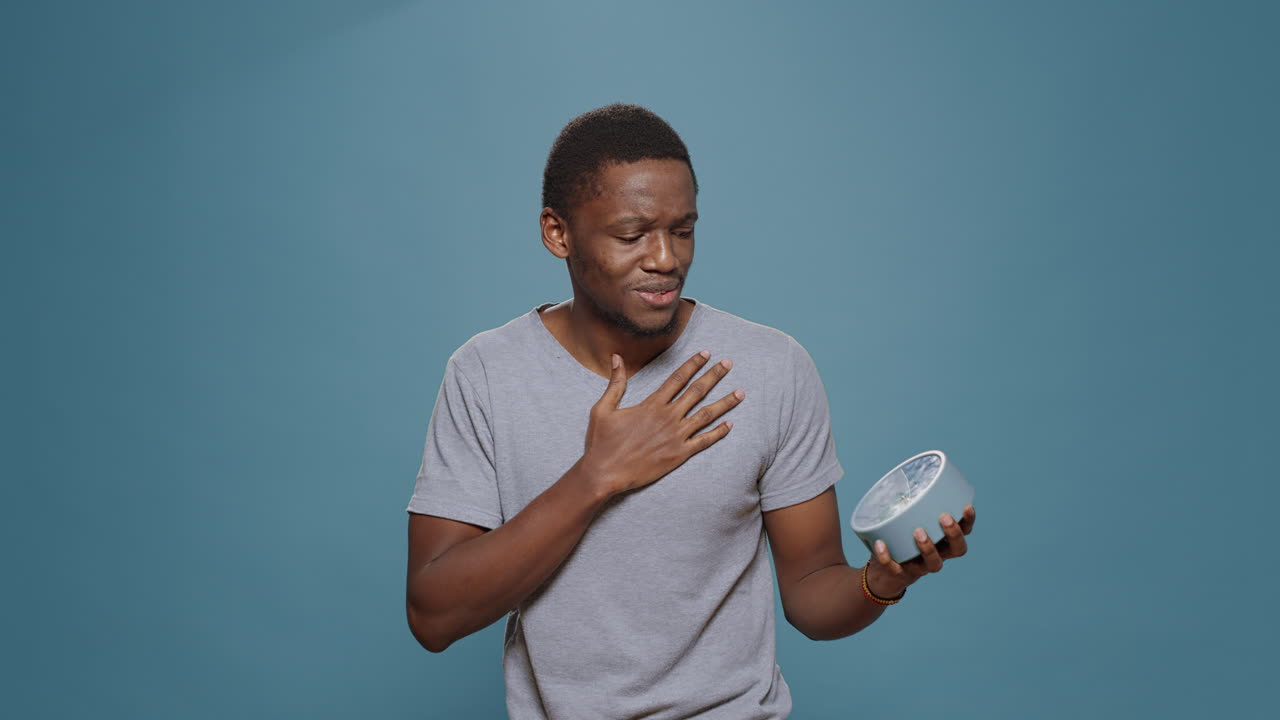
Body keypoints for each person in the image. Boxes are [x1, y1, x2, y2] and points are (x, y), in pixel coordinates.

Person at [405, 104, 976, 719]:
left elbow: (812, 594)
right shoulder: (487, 374)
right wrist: (597, 476)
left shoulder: (772, 367)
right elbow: (434, 615)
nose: (665, 259)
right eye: (632, 235)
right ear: (557, 233)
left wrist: (881, 582)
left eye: (683, 230)